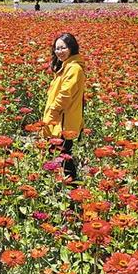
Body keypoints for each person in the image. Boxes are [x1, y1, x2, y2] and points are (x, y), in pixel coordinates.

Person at [42, 32, 86, 181]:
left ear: (72, 48)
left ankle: (72, 188)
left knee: (63, 158)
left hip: (63, 122)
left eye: (63, 48)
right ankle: (66, 186)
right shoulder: (66, 66)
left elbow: (65, 95)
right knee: (60, 156)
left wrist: (51, 115)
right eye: (57, 48)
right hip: (61, 119)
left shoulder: (73, 68)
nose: (59, 51)